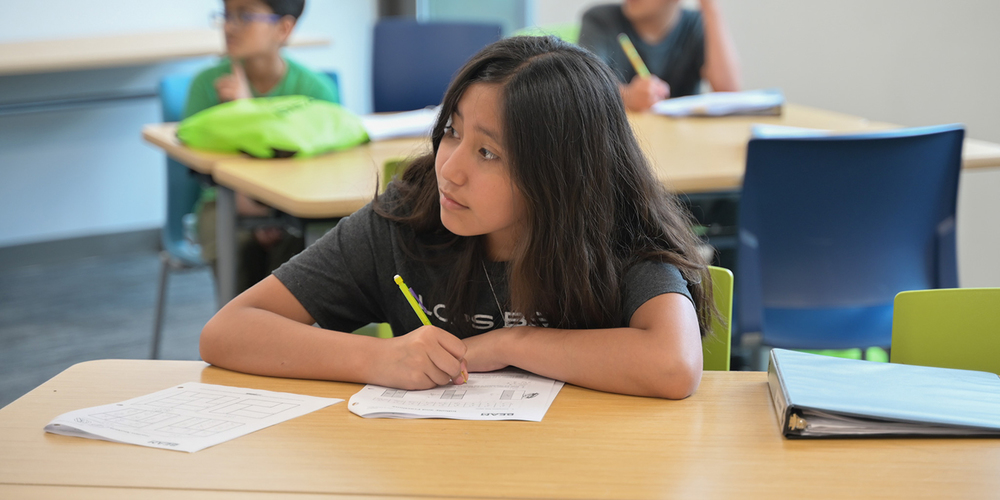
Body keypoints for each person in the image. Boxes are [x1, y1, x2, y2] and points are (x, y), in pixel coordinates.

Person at [200, 36, 713, 399]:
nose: (448, 169)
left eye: (487, 153)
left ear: (560, 174)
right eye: (452, 131)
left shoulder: (616, 230)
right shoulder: (409, 219)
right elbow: (229, 331)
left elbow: (674, 364)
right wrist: (378, 358)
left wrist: (511, 343)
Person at [185, 0, 338, 292]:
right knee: (235, 256)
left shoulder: (315, 92)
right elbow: (202, 171)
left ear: (284, 28)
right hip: (227, 201)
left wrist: (248, 110)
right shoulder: (207, 85)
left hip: (295, 205)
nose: (229, 26)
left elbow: (323, 175)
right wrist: (255, 210)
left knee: (304, 262)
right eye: (227, 15)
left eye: (244, 16)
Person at [578, 0, 741, 112]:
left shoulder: (696, 24)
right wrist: (628, 97)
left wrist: (710, 8)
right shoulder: (600, 20)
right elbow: (586, 87)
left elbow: (728, 92)